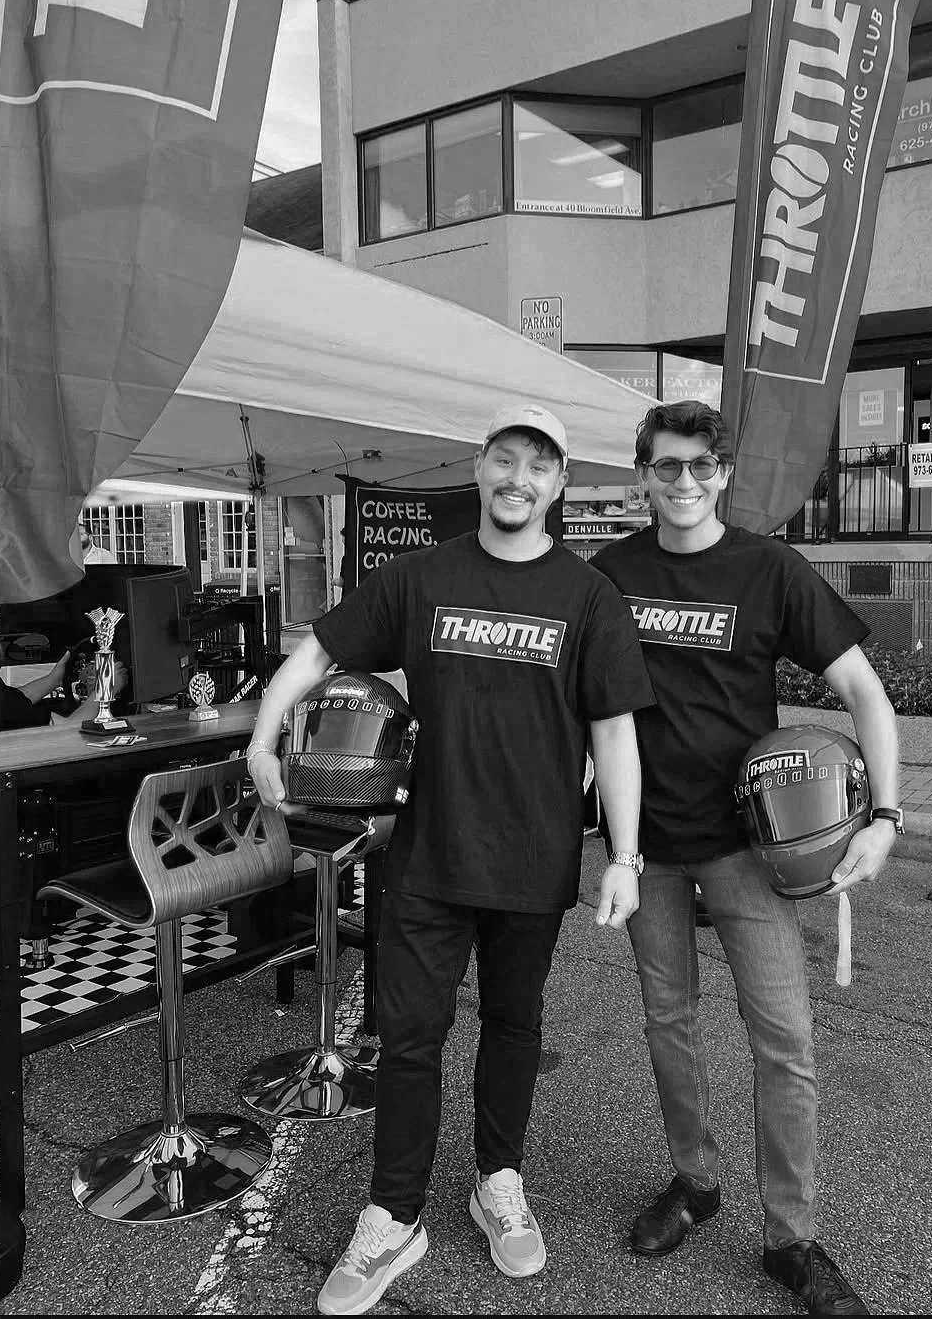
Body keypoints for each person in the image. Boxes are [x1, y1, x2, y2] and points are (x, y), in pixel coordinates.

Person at [246, 402, 655, 1316]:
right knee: (411, 1039)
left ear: (559, 484)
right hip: (428, 854)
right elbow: (318, 649)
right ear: (480, 468)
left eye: (539, 466)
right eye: (505, 459)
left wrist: (625, 855)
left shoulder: (588, 597)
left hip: (535, 859)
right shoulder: (422, 576)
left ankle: (497, 1181)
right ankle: (394, 1215)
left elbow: (615, 731)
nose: (520, 478)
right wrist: (264, 735)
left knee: (515, 1027)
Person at [592, 401, 900, 1317]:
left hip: (747, 847)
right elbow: (572, 703)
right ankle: (694, 1182)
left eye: (700, 466)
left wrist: (884, 815)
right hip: (645, 843)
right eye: (666, 466)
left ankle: (790, 1240)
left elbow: (864, 692)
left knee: (787, 1043)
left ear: (723, 472)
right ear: (641, 472)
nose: (683, 482)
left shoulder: (768, 568)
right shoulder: (609, 575)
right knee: (667, 1022)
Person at [0, 633, 126, 733]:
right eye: (0, 643)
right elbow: (68, 731)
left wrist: (53, 679)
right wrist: (106, 689)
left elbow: (11, 703)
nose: (2, 650)